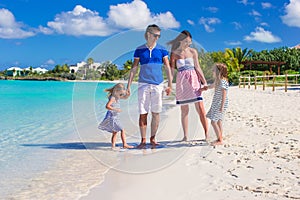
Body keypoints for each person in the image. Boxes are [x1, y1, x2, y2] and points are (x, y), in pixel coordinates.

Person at [126, 24, 173, 149]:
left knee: (156, 113)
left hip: (158, 84)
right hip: (143, 85)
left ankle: (153, 139)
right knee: (143, 113)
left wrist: (169, 85)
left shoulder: (162, 50)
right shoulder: (139, 50)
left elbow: (168, 67)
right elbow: (134, 68)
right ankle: (143, 140)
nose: (157, 38)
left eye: (159, 36)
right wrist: (128, 86)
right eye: (155, 35)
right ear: (148, 34)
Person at [167, 30, 209, 142]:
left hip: (194, 80)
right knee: (184, 110)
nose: (188, 44)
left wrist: (204, 82)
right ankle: (185, 136)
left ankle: (207, 134)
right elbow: (171, 71)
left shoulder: (193, 51)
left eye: (189, 42)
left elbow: (198, 67)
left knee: (200, 109)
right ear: (180, 40)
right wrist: (169, 85)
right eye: (186, 41)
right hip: (182, 82)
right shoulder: (174, 53)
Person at [98, 83, 134, 149]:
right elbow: (107, 106)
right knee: (122, 129)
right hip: (113, 118)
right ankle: (125, 144)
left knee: (115, 132)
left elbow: (125, 97)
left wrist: (128, 94)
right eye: (121, 91)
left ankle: (113, 146)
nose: (122, 93)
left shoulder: (116, 96)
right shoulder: (113, 98)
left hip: (115, 118)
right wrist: (116, 109)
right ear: (117, 91)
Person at [202, 63, 229, 146]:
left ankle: (220, 140)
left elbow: (224, 94)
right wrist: (205, 88)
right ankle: (220, 136)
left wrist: (221, 106)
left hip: (220, 104)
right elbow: (212, 86)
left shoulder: (223, 81)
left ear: (219, 72)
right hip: (216, 103)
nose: (212, 71)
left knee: (214, 122)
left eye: (214, 70)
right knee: (219, 121)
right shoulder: (218, 81)